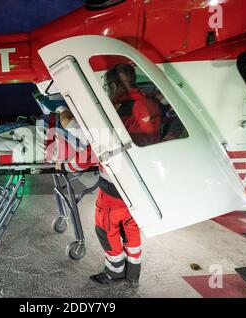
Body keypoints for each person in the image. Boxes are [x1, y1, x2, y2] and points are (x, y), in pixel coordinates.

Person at [56, 64, 161, 287]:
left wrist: (68, 166)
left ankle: (114, 274)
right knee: (132, 229)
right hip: (142, 185)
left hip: (115, 188)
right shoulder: (152, 105)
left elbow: (98, 149)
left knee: (106, 229)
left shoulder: (116, 111)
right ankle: (133, 276)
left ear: (113, 85)